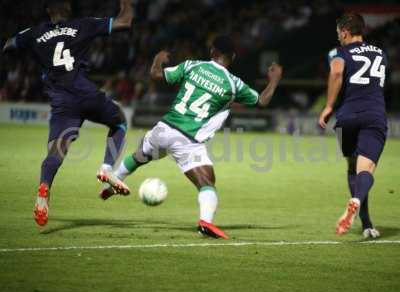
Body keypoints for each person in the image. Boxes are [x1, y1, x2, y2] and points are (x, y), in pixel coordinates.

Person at [97, 36, 283, 239]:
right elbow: (262, 101)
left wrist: (158, 59)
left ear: (212, 52)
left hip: (164, 128)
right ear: (233, 57)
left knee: (141, 155)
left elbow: (156, 75)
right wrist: (274, 80)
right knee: (206, 183)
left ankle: (113, 182)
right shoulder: (233, 84)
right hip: (188, 139)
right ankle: (205, 222)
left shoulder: (192, 66)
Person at [2, 0, 134, 227]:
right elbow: (125, 22)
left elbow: (9, 45)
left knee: (56, 151)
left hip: (62, 103)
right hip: (86, 94)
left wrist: (29, 51)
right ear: (69, 8)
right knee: (119, 121)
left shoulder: (33, 33)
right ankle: (106, 168)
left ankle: (44, 187)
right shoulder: (83, 25)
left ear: (47, 10)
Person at [318, 13, 388, 238]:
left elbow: (337, 72)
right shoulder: (381, 53)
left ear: (345, 32)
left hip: (347, 117)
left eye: (339, 32)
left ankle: (366, 223)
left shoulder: (341, 52)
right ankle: (358, 206)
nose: (338, 36)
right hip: (374, 116)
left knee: (352, 167)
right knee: (365, 170)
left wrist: (329, 106)